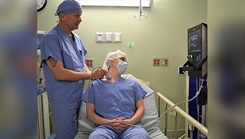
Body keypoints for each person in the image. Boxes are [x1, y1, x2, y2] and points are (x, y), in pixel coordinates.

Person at [40, 0, 106, 138]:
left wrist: (94, 75)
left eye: (80, 16)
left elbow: (82, 64)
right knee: (67, 136)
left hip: (78, 96)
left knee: (78, 134)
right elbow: (59, 73)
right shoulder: (51, 39)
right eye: (76, 15)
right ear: (63, 16)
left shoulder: (76, 38)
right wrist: (90, 75)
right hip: (63, 100)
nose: (80, 20)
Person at [86, 50, 151, 139]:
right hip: (105, 128)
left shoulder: (133, 84)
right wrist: (110, 122)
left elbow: (141, 108)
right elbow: (90, 114)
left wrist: (131, 121)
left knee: (141, 136)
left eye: (126, 62)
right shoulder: (95, 85)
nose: (125, 63)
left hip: (131, 127)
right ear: (112, 61)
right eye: (122, 59)